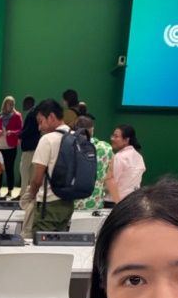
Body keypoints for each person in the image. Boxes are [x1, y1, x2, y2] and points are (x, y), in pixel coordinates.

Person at [26, 99, 74, 233]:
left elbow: (38, 178)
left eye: (40, 121)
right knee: (59, 243)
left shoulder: (47, 140)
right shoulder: (75, 137)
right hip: (68, 203)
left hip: (48, 203)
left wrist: (31, 195)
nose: (39, 127)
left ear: (51, 117)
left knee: (40, 244)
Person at [73, 115, 114, 211]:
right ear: (92, 130)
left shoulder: (69, 146)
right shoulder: (106, 148)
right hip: (96, 203)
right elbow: (110, 177)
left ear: (75, 129)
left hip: (72, 203)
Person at [104, 124, 145, 207]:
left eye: (116, 136)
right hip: (133, 202)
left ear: (126, 140)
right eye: (113, 136)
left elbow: (111, 180)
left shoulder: (119, 157)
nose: (112, 139)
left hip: (115, 202)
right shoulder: (139, 157)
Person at [0, 95, 23, 198]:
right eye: (10, 104)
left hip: (11, 147)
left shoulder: (17, 115)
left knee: (9, 169)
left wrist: (11, 132)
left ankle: (9, 190)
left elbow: (20, 130)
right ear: (5, 104)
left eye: (13, 104)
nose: (12, 106)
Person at [16, 95, 39, 203]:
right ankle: (30, 193)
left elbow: (29, 129)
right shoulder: (35, 113)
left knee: (24, 169)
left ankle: (23, 193)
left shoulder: (31, 114)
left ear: (28, 103)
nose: (23, 105)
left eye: (24, 103)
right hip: (34, 146)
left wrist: (20, 135)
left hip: (29, 147)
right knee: (31, 171)